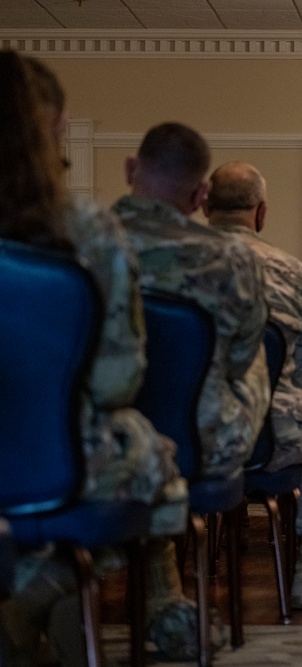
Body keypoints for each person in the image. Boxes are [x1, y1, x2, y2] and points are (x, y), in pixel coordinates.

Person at [0, 52, 186, 665]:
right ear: (51, 130)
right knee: (153, 456)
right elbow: (119, 377)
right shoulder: (87, 229)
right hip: (54, 460)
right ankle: (45, 594)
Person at [112, 123, 271, 660]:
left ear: (131, 171)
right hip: (204, 443)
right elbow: (244, 359)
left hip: (94, 445)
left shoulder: (79, 244)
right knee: (249, 359)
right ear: (201, 196)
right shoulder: (233, 258)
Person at [205, 161, 302, 608]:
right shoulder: (294, 274)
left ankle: (166, 590)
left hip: (180, 437)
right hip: (265, 437)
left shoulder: (163, 266)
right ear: (261, 214)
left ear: (204, 207)